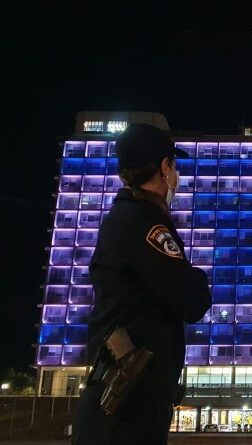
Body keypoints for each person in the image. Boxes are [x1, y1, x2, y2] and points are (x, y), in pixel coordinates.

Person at [72, 123, 212, 445]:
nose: (175, 176)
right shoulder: (145, 223)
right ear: (164, 168)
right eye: (173, 166)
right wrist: (198, 277)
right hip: (127, 411)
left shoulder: (126, 218)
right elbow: (191, 300)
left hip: (121, 405)